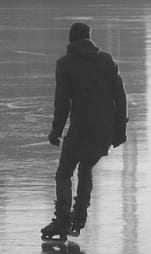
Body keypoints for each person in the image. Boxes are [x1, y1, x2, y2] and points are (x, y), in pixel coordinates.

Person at [41, 22, 128, 240]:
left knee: (64, 172)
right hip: (103, 130)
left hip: (80, 129)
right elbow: (121, 96)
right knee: (86, 167)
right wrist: (120, 130)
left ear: (70, 41)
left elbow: (62, 103)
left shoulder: (65, 64)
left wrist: (56, 131)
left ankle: (62, 221)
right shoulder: (107, 61)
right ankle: (79, 218)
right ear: (90, 38)